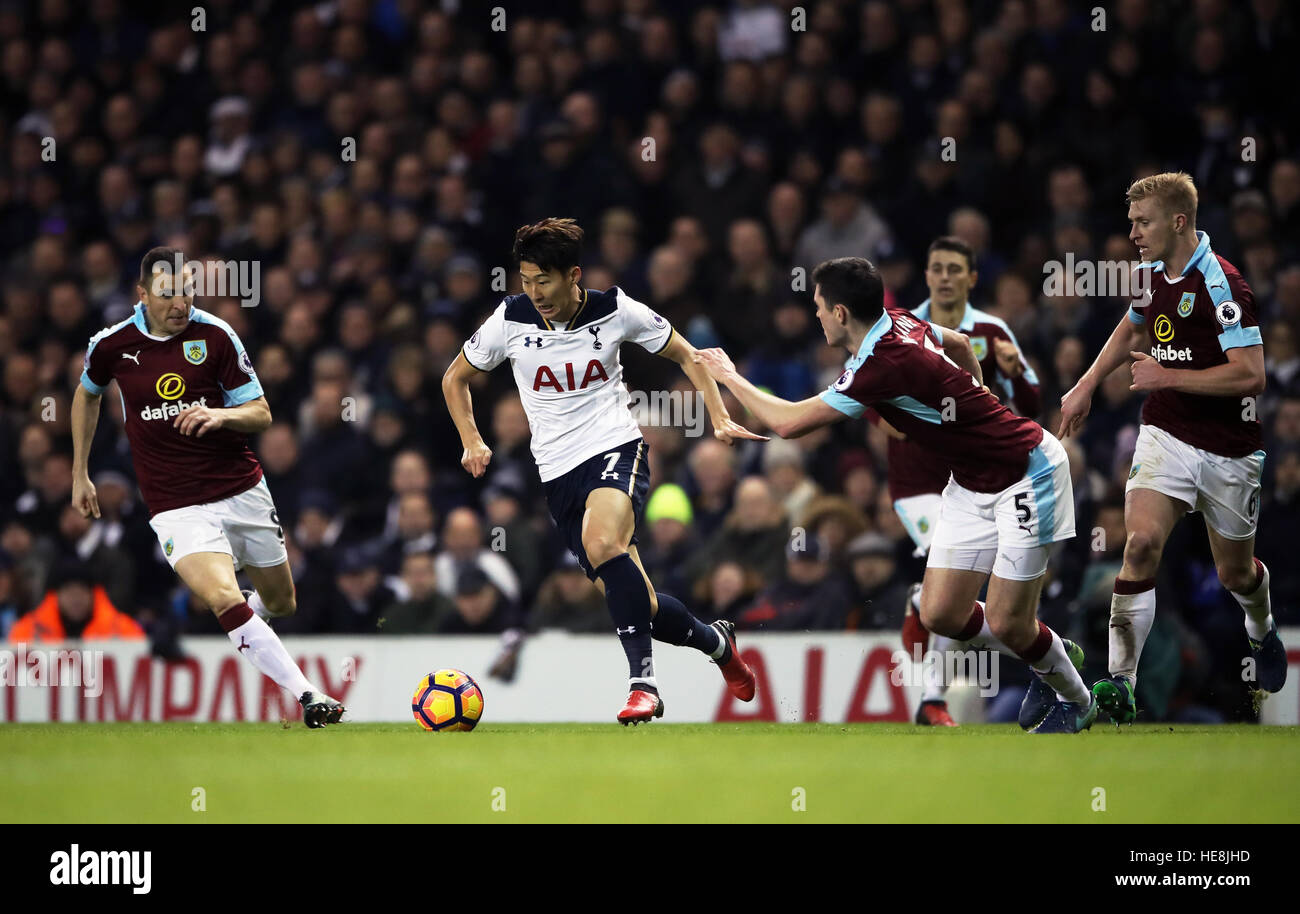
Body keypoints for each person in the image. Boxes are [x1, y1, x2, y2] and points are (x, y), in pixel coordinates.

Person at [696, 256, 1097, 733]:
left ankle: (1078, 699)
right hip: (970, 483)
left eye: (820, 306)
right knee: (940, 614)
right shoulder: (901, 320)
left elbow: (788, 423)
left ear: (841, 313)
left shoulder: (881, 364)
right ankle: (1044, 645)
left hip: (1026, 473)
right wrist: (975, 399)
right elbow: (960, 343)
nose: (817, 315)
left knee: (1011, 623)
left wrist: (728, 375)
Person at [442, 218, 764, 724]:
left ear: (573, 275)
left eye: (543, 280)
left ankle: (644, 686)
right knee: (638, 601)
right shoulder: (510, 319)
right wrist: (472, 439)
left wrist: (718, 414)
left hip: (616, 446)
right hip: (557, 474)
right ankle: (717, 643)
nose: (535, 292)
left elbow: (687, 353)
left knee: (603, 543)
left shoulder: (616, 310)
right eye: (525, 280)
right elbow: (455, 378)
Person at [71, 247, 344, 728]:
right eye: (167, 293)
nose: (180, 303)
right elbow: (86, 394)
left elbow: (261, 413)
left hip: (241, 488)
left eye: (186, 291)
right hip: (175, 504)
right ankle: (308, 696)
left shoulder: (216, 335)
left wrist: (221, 414)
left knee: (281, 602)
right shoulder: (111, 345)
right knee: (223, 596)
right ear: (142, 295)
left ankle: (242, 624)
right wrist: (80, 471)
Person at [1058, 172, 1285, 722]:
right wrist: (1087, 383)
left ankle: (1261, 628)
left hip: (1229, 450)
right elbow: (1133, 329)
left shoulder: (1223, 284)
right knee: (1138, 546)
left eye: (1143, 222)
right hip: (1166, 435)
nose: (1133, 232)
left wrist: (1170, 377)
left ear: (1178, 221)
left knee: (1236, 574)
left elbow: (1251, 375)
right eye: (1131, 221)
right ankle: (1121, 685)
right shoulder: (1149, 275)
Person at [888, 236, 1063, 727]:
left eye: (953, 269)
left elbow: (1029, 402)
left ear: (971, 278)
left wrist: (1013, 373)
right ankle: (933, 697)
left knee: (954, 595)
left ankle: (924, 617)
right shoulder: (900, 327)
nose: (944, 276)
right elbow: (871, 407)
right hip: (918, 477)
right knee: (951, 582)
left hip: (977, 476)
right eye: (936, 267)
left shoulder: (992, 329)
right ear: (926, 275)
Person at [8, 559, 145, 642]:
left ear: (93, 594)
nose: (76, 599)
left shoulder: (123, 629)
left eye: (82, 592)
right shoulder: (26, 631)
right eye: (69, 592)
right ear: (56, 595)